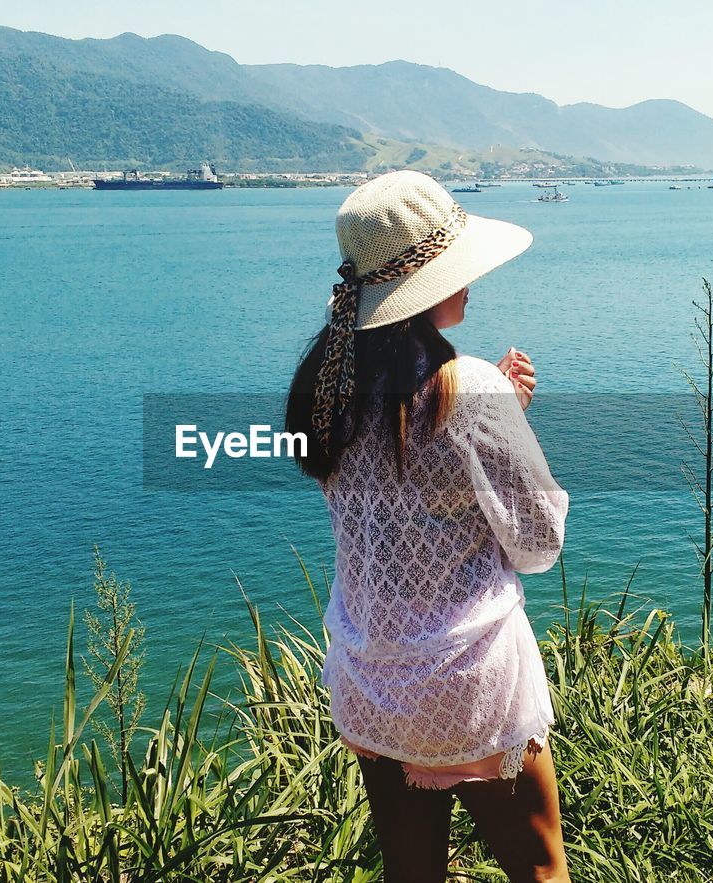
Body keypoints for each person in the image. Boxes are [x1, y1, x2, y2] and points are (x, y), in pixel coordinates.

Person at [284, 170, 571, 883]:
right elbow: (538, 544)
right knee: (541, 873)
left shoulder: (326, 389)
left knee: (412, 876)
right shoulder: (471, 386)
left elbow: (398, 482)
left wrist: (491, 412)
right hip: (470, 684)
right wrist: (500, 416)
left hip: (372, 685)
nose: (472, 279)